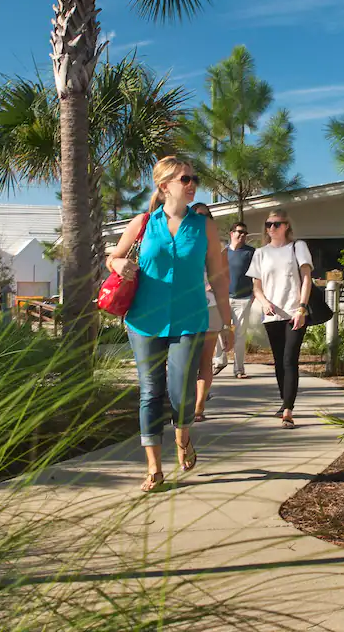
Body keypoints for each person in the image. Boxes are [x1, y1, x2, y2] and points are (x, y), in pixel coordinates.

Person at [106, 157, 234, 492]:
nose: (192, 184)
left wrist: (226, 320)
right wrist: (118, 265)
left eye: (194, 179)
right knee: (150, 391)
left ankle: (183, 435)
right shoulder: (143, 222)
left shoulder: (204, 226)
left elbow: (218, 276)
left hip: (190, 319)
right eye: (185, 179)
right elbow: (114, 256)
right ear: (165, 186)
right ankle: (154, 468)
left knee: (181, 390)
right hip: (144, 320)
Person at [246, 208, 312, 429]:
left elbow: (306, 279)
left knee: (289, 359)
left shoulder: (297, 247)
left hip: (295, 312)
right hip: (271, 314)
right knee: (278, 361)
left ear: (286, 226)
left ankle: (288, 411)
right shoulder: (260, 253)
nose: (271, 228)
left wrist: (302, 308)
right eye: (268, 224)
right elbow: (256, 287)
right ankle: (285, 400)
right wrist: (264, 302)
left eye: (276, 224)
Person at [190, 202, 221, 422]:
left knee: (205, 360)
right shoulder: (181, 241)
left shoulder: (216, 245)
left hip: (211, 306)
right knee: (185, 360)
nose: (201, 219)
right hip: (186, 309)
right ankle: (188, 402)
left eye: (206, 215)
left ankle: (199, 406)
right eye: (197, 215)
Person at [214, 219, 255, 379]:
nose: (243, 235)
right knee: (218, 329)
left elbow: (257, 275)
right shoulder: (223, 253)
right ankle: (219, 361)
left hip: (243, 299)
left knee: (239, 334)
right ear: (232, 234)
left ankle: (239, 369)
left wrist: (253, 295)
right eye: (240, 232)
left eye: (245, 233)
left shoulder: (250, 253)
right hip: (223, 299)